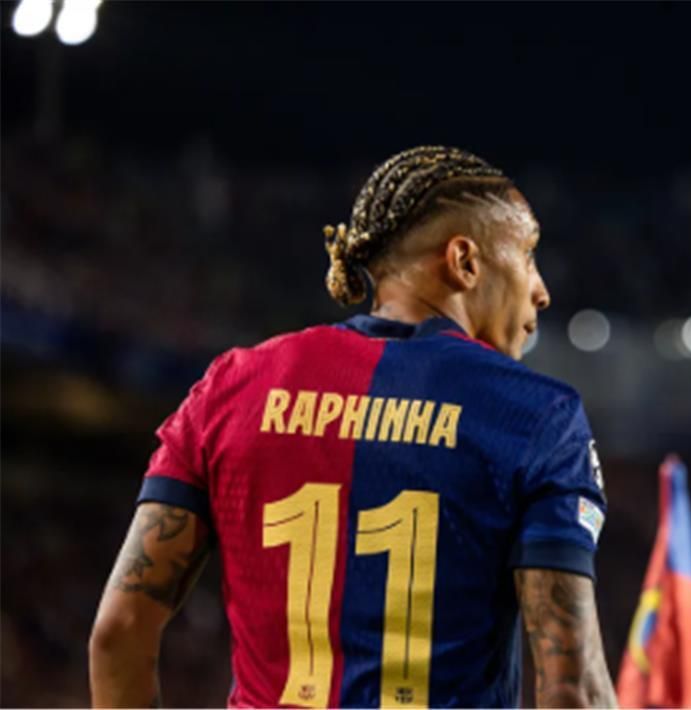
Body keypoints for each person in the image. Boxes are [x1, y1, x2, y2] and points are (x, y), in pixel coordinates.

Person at [88, 146, 617, 709]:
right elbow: (573, 691)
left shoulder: (231, 388)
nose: (541, 290)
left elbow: (118, 632)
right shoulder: (537, 415)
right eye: (528, 255)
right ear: (464, 261)